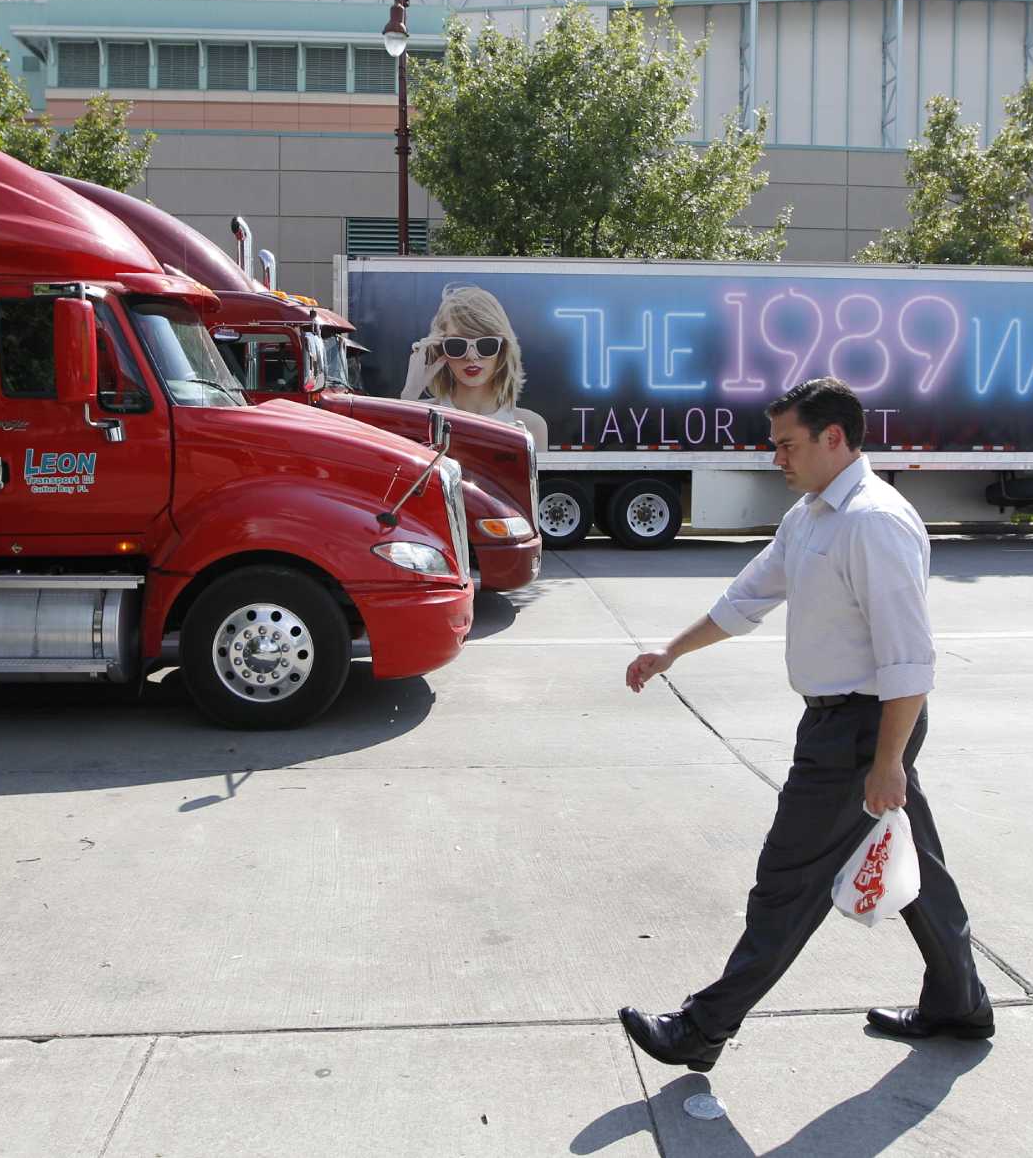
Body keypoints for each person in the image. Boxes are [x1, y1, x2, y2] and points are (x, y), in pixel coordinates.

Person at [618, 377, 991, 1073]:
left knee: (787, 880)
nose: (776, 458)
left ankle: (703, 1027)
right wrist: (671, 649)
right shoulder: (813, 515)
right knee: (920, 870)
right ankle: (960, 1000)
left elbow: (908, 658)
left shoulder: (874, 521)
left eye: (787, 444)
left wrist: (886, 761)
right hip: (846, 725)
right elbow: (748, 596)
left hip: (863, 727)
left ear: (835, 438)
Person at [399, 284, 549, 449]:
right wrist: (409, 394)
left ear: (503, 349)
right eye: (457, 345)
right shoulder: (419, 416)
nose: (471, 356)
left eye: (486, 344)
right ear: (441, 348)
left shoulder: (531, 427)